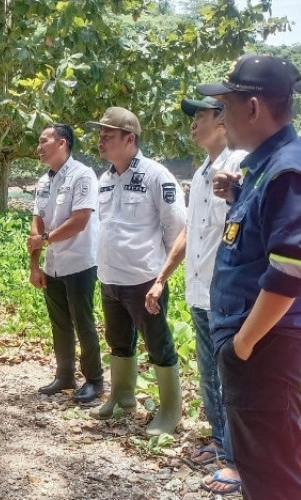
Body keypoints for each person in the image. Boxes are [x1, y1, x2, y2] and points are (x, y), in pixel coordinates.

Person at [198, 54, 301, 499]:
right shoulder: (264, 168)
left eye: (226, 107)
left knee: (272, 476)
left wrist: (244, 344)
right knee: (264, 468)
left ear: (254, 108)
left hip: (267, 351)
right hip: (259, 347)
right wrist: (237, 193)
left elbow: (290, 269)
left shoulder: (287, 170)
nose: (222, 118)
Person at [144, 98, 245, 494]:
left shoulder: (240, 165)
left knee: (231, 380)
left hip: (230, 293)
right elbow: (189, 231)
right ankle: (221, 445)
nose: (193, 124)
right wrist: (163, 276)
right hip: (200, 291)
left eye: (199, 117)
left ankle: (238, 462)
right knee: (208, 376)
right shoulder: (203, 172)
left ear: (222, 121)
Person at [85, 107, 186, 435]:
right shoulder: (105, 179)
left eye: (108, 136)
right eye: (99, 135)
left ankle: (171, 409)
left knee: (158, 344)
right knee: (118, 342)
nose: (101, 142)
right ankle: (122, 396)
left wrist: (161, 278)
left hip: (144, 280)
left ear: (130, 139)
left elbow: (177, 230)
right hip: (110, 279)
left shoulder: (157, 176)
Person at [27, 123, 103, 403]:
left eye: (43, 140)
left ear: (61, 143)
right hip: (53, 263)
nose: (39, 146)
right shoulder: (44, 181)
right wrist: (35, 265)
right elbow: (37, 220)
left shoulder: (83, 176)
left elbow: (80, 221)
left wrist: (44, 239)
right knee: (59, 323)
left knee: (83, 322)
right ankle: (65, 375)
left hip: (80, 262)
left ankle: (94, 380)